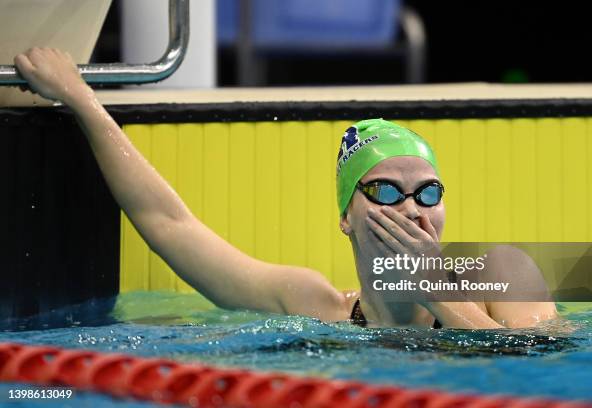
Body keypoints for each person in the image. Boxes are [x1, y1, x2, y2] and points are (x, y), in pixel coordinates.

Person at [14, 48, 558, 329]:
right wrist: (82, 99)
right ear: (346, 216)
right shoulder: (314, 306)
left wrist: (433, 290)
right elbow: (171, 227)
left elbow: (545, 365)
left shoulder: (503, 275)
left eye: (429, 193)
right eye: (387, 193)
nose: (412, 209)